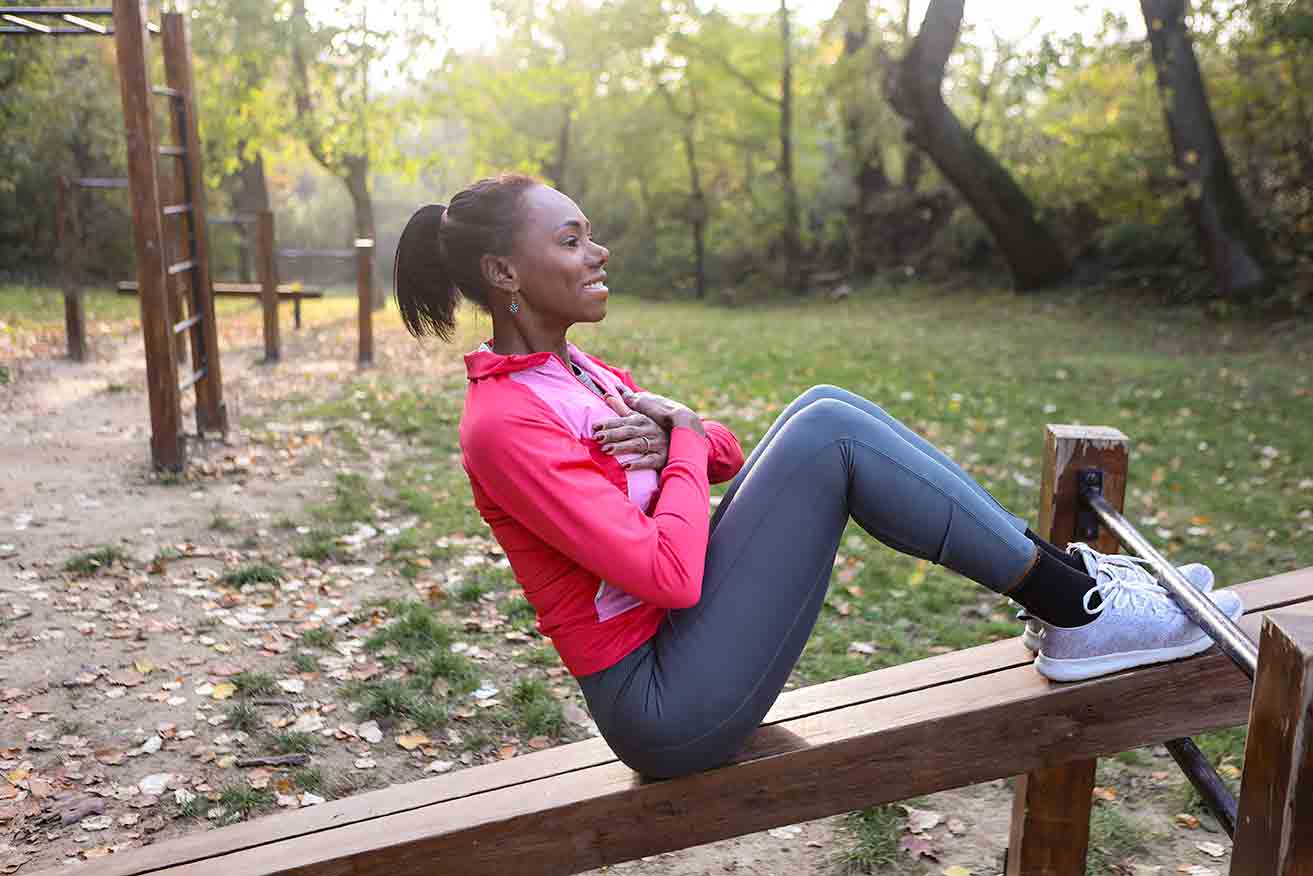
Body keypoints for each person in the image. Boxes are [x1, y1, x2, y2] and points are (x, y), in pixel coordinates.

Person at [392, 173, 1243, 780]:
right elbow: (667, 572)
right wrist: (683, 438)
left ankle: (1068, 593)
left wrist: (684, 433)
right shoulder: (505, 423)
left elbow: (721, 455)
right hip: (662, 705)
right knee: (829, 429)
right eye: (571, 238)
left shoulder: (574, 374)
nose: (598, 248)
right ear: (504, 274)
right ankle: (1076, 606)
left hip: (681, 647)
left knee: (823, 404)